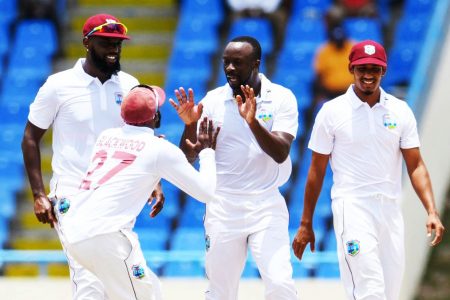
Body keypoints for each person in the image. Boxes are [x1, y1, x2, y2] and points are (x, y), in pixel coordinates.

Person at [21, 13, 164, 299]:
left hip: (117, 195)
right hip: (73, 194)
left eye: (118, 44)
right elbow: (30, 139)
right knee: (89, 280)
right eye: (106, 43)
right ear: (87, 43)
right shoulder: (58, 85)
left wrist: (153, 182)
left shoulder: (129, 85)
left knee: (121, 280)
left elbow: (138, 140)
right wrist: (38, 194)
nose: (114, 50)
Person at [292, 40, 445, 299]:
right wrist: (306, 223)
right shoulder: (332, 112)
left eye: (375, 68)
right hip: (352, 208)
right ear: (351, 68)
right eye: (362, 68)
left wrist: (431, 210)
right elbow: (316, 171)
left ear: (383, 71)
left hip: (390, 210)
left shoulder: (400, 110)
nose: (368, 74)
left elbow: (415, 164)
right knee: (370, 290)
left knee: (389, 292)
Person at [57, 85, 220, 300]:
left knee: (151, 290)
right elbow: (206, 193)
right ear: (156, 116)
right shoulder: (158, 149)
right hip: (107, 237)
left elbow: (131, 164)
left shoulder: (106, 136)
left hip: (74, 232)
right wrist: (207, 152)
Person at [170, 36, 298, 299]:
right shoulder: (213, 100)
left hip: (266, 205)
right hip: (223, 207)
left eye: (237, 63)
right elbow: (187, 158)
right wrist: (189, 125)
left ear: (256, 64)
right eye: (225, 62)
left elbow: (280, 152)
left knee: (280, 283)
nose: (229, 68)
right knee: (220, 291)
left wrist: (252, 122)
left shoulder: (282, 98)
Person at [312, 8, 355, 106]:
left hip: (352, 93)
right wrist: (320, 95)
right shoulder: (324, 50)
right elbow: (319, 75)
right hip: (330, 94)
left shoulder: (353, 48)